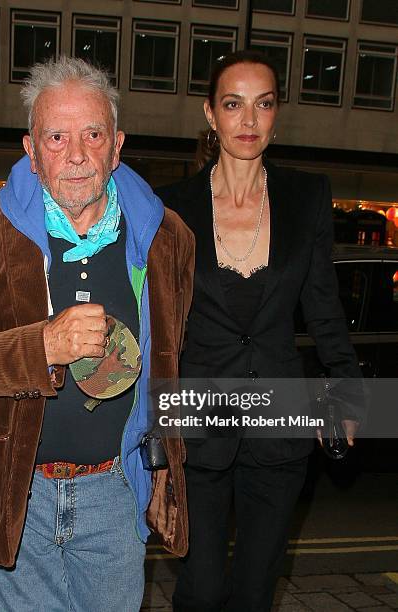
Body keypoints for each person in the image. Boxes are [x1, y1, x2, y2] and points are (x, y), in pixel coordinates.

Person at [0, 56, 193, 612]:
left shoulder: (166, 239)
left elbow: (174, 363)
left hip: (117, 493)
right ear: (30, 149)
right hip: (17, 494)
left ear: (118, 145)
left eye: (92, 134)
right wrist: (41, 346)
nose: (76, 155)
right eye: (56, 136)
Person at [156, 50, 363, 612]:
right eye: (233, 104)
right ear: (210, 114)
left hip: (280, 418)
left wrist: (344, 390)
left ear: (276, 114)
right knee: (199, 591)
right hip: (197, 419)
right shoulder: (171, 208)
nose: (248, 121)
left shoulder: (307, 197)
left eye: (263, 104)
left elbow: (324, 308)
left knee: (253, 591)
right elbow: (163, 319)